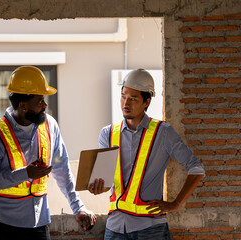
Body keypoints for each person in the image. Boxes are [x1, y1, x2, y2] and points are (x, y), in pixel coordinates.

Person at [0, 66, 96, 240]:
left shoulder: (50, 126)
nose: (45, 105)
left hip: (37, 224)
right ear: (23, 106)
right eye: (39, 101)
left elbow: (62, 170)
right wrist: (25, 174)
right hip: (0, 225)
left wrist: (78, 208)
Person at [88, 69, 205, 240]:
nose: (125, 103)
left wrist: (175, 204)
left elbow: (196, 168)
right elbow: (105, 180)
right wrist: (96, 187)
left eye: (133, 99)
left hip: (151, 230)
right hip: (115, 228)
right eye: (123, 96)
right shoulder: (107, 134)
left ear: (146, 102)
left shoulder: (163, 133)